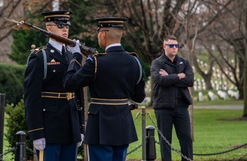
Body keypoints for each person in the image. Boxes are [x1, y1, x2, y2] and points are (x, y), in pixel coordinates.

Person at [63, 17, 146, 161]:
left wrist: (75, 56)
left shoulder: (95, 62)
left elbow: (69, 83)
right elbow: (139, 97)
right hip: (123, 123)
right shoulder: (135, 61)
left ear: (103, 35)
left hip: (101, 125)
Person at [24, 10, 84, 161]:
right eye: (60, 25)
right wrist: (36, 133)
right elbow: (32, 98)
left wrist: (80, 127)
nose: (65, 29)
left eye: (67, 26)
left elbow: (79, 93)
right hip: (49, 128)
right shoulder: (40, 57)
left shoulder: (71, 55)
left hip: (70, 126)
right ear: (49, 28)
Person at [150, 35, 194, 161]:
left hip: (181, 106)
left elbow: (189, 81)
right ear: (164, 46)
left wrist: (170, 76)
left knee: (186, 138)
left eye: (176, 46)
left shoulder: (184, 62)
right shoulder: (157, 63)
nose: (174, 48)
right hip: (163, 107)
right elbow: (160, 80)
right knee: (165, 141)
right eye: (171, 46)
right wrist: (178, 76)